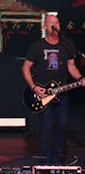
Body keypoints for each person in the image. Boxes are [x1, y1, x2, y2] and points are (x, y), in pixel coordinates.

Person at [22, 12, 84, 165]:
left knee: (62, 126)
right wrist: (34, 86)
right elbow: (26, 67)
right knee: (46, 127)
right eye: (51, 22)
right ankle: (44, 161)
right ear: (45, 26)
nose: (55, 25)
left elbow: (72, 67)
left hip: (61, 93)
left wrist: (80, 79)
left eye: (57, 22)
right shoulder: (37, 46)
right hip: (43, 94)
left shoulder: (67, 45)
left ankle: (56, 160)